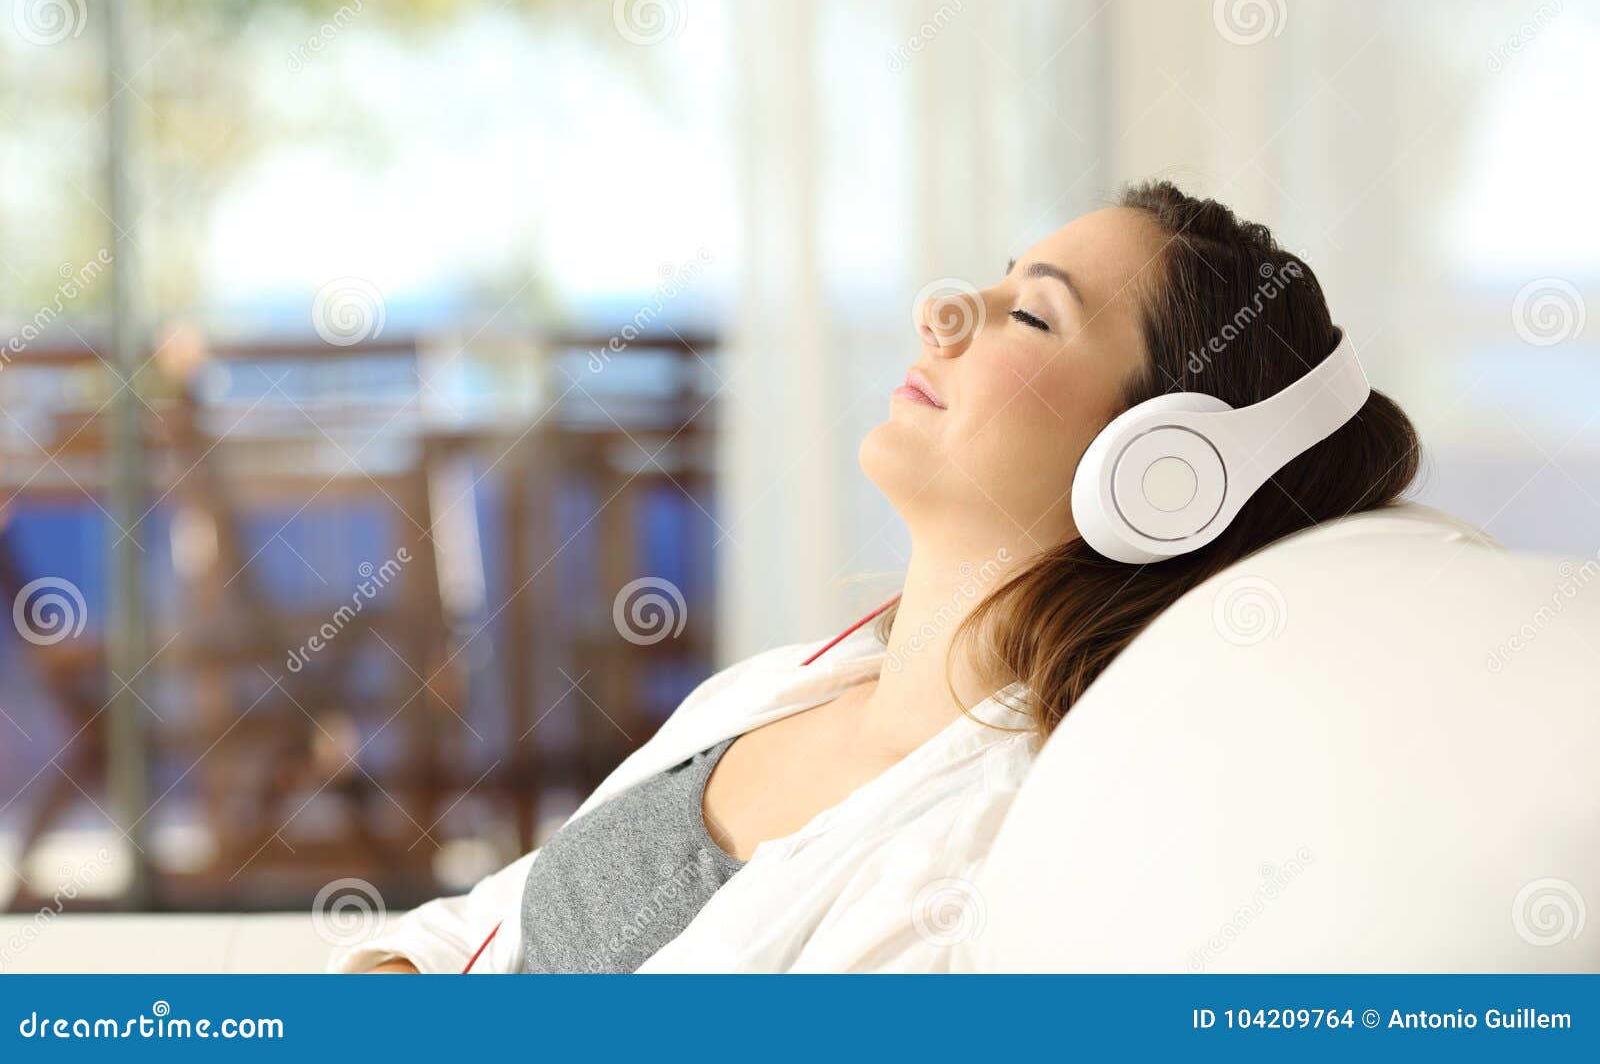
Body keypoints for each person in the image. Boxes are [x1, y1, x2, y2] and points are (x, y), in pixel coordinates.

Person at [331, 179, 1420, 974]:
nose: (942, 312)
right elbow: (496, 919)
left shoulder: (987, 851)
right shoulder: (775, 689)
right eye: (996, 280)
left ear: (1161, 473)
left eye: (1031, 311)